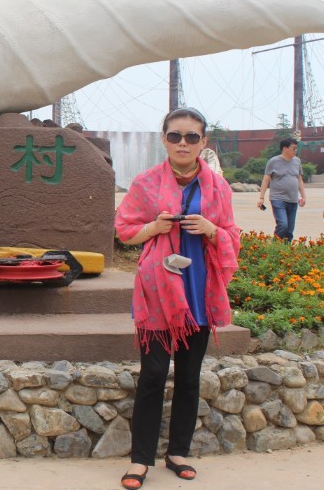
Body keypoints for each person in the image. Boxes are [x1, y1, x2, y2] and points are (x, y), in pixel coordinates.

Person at [114, 107, 240, 490]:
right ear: (164, 139)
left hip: (198, 291)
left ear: (203, 142)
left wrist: (212, 229)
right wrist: (154, 227)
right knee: (153, 374)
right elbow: (124, 230)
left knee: (188, 376)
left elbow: (231, 236)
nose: (182, 143)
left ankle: (178, 453)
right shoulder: (146, 183)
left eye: (191, 137)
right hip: (157, 291)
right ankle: (140, 459)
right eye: (174, 136)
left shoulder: (218, 188)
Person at [257, 138, 306, 241]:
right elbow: (266, 180)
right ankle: (275, 245)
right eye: (293, 148)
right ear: (285, 148)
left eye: (296, 148)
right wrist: (261, 198)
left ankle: (286, 249)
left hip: (293, 200)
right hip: (278, 199)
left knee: (289, 230)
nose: (295, 151)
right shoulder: (273, 161)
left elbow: (299, 180)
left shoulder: (297, 161)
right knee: (283, 225)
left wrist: (303, 196)